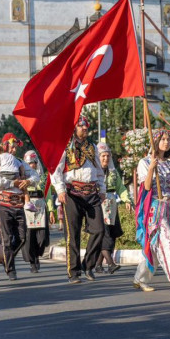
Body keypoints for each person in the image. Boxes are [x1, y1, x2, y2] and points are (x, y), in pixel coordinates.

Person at [51, 115, 106, 284]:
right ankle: (73, 272)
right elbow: (55, 170)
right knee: (73, 235)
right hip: (72, 194)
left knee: (99, 230)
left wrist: (102, 188)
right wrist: (60, 190)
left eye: (86, 126)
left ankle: (88, 265)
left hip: (91, 193)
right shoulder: (66, 147)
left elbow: (99, 170)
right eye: (81, 126)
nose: (85, 129)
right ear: (74, 128)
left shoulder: (92, 147)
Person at [134, 129, 170, 293]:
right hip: (155, 210)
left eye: (168, 140)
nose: (167, 142)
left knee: (154, 247)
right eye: (163, 139)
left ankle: (139, 278)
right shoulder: (145, 162)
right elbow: (147, 187)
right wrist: (151, 168)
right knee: (169, 241)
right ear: (155, 142)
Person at [0, 134, 39, 280]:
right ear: (5, 145)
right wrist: (13, 183)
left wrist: (28, 182)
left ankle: (8, 256)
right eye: (11, 146)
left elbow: (36, 176)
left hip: (18, 204)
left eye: (15, 146)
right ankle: (10, 268)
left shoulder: (20, 162)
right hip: (4, 204)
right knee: (7, 238)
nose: (14, 149)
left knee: (22, 237)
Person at [94, 143, 130, 275]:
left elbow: (120, 187)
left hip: (111, 207)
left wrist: (127, 200)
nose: (105, 158)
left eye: (108, 156)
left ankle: (98, 265)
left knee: (112, 234)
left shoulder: (113, 172)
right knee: (105, 236)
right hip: (98, 206)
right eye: (103, 156)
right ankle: (111, 263)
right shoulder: (94, 172)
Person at [21, 150, 49, 273]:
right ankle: (33, 261)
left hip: (41, 206)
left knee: (41, 237)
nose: (32, 165)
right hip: (28, 207)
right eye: (29, 163)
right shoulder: (23, 178)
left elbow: (47, 194)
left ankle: (38, 254)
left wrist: (51, 210)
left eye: (34, 162)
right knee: (30, 236)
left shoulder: (43, 178)